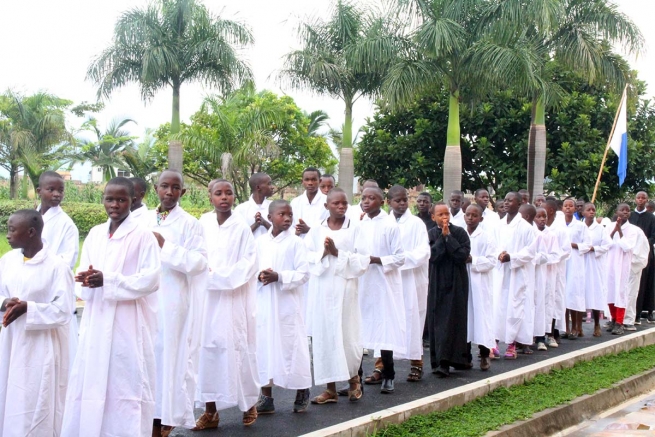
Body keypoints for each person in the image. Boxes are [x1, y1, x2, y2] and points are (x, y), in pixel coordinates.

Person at [62, 177, 161, 437]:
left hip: (128, 323)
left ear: (133, 200)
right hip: (96, 318)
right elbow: (84, 271)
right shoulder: (95, 233)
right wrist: (87, 279)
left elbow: (151, 280)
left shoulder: (142, 237)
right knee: (92, 382)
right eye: (109, 199)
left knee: (125, 383)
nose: (114, 204)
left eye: (121, 199)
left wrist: (109, 281)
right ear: (102, 199)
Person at [0, 209, 74, 437]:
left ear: (31, 232)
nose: (7, 235)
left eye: (12, 230)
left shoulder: (56, 267)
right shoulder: (8, 260)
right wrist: (4, 302)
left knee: (34, 399)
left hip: (40, 348)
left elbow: (63, 311)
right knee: (8, 395)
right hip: (10, 340)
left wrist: (29, 308)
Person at [194, 179, 259, 430]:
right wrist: (203, 274)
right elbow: (196, 254)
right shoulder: (203, 223)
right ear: (209, 196)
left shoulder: (241, 227)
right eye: (218, 193)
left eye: (229, 193)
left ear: (234, 197)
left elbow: (248, 263)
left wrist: (216, 277)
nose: (224, 197)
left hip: (232, 300)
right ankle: (210, 412)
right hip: (206, 300)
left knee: (238, 349)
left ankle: (249, 404)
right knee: (206, 352)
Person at [147, 170, 208, 437]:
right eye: (164, 186)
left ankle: (166, 415)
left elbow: (199, 263)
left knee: (170, 357)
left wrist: (166, 248)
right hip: (146, 298)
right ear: (156, 189)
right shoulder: (142, 219)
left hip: (173, 300)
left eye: (175, 188)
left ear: (183, 192)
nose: (169, 192)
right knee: (147, 355)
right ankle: (147, 412)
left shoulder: (190, 224)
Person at [305, 188, 369, 404]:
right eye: (336, 204)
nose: (341, 207)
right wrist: (324, 252)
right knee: (325, 337)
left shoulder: (355, 228)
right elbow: (307, 257)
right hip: (323, 289)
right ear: (327, 206)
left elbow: (363, 260)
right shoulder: (316, 230)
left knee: (347, 335)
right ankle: (330, 389)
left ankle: (354, 382)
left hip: (345, 288)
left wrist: (337, 253)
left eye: (344, 203)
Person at [255, 200, 312, 414]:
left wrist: (279, 276)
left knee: (292, 347)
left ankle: (302, 389)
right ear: (270, 217)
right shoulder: (260, 242)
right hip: (264, 303)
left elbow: (304, 273)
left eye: (290, 214)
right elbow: (252, 267)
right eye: (282, 214)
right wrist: (259, 276)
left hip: (287, 303)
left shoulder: (296, 243)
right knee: (264, 348)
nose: (287, 218)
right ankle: (266, 396)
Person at [358, 187, 405, 393]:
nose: (366, 201)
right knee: (358, 331)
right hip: (363, 283)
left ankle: (388, 374)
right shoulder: (360, 224)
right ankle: (355, 378)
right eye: (363, 198)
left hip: (384, 284)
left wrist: (375, 260)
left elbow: (400, 257)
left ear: (382, 201)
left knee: (384, 329)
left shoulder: (389, 224)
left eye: (371, 198)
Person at [36, 171, 80, 371]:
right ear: (39, 191)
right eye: (51, 189)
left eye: (60, 190)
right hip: (31, 287)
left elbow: (67, 260)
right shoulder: (32, 218)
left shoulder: (66, 224)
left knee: (56, 351)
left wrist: (40, 264)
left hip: (53, 288)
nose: (56, 194)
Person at [386, 185, 430, 381]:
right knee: (387, 321)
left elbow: (423, 252)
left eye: (405, 199)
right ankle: (382, 365)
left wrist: (398, 261)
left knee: (413, 319)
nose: (402, 203)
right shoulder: (383, 223)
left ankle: (416, 363)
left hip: (411, 280)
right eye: (398, 200)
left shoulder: (416, 224)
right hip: (388, 279)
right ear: (389, 202)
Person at [427, 203, 471, 376]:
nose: (444, 217)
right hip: (437, 281)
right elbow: (433, 256)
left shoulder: (460, 232)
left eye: (446, 214)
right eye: (440, 214)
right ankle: (440, 362)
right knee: (438, 320)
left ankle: (458, 359)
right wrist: (441, 238)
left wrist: (449, 238)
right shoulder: (431, 233)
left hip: (456, 281)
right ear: (433, 217)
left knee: (455, 318)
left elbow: (462, 255)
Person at [493, 192, 536, 359]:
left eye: (510, 201)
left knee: (514, 307)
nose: (506, 203)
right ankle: (494, 342)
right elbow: (492, 244)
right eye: (505, 200)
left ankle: (512, 344)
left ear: (519, 204)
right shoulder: (498, 225)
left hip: (517, 273)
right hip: (500, 271)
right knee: (497, 306)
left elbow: (530, 251)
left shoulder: (526, 228)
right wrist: (499, 254)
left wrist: (512, 257)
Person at [464, 204, 496, 370]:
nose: (470, 218)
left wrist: (473, 260)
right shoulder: (460, 234)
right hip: (463, 282)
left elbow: (492, 261)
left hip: (480, 283)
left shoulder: (487, 237)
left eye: (474, 215)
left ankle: (484, 354)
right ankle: (466, 356)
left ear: (481, 218)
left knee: (481, 320)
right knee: (465, 319)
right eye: (468, 214)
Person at [606, 204, 641, 335]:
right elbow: (605, 243)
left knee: (621, 292)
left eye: (627, 210)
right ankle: (613, 319)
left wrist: (620, 231)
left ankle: (620, 322)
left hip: (623, 264)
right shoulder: (610, 226)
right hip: (610, 262)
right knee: (610, 291)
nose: (625, 212)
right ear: (617, 212)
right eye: (622, 210)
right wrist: (614, 230)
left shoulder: (633, 230)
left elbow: (627, 247)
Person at [562, 198, 591, 339]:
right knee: (563, 295)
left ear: (575, 209)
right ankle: (565, 328)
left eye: (570, 206)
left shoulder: (580, 226)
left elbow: (588, 244)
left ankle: (575, 327)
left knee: (574, 294)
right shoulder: (558, 225)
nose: (568, 208)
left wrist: (574, 245)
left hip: (575, 263)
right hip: (562, 263)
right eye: (565, 206)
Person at [532, 207, 561, 351]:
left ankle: (544, 336)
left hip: (547, 274)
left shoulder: (552, 235)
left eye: (544, 216)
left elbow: (556, 255)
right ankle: (531, 337)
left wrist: (542, 258)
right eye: (539, 216)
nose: (542, 219)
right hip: (533, 274)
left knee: (546, 304)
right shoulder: (531, 232)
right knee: (533, 304)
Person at [581, 203, 612, 337]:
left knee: (595, 292)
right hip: (581, 262)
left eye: (593, 210)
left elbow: (607, 244)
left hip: (595, 263)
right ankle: (577, 326)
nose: (592, 212)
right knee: (580, 293)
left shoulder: (600, 229)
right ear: (582, 212)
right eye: (588, 210)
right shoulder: (579, 227)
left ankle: (597, 324)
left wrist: (594, 249)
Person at [544, 199, 571, 346]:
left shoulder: (560, 229)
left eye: (544, 209)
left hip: (555, 270)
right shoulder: (539, 227)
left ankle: (552, 332)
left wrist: (551, 258)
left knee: (553, 301)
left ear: (551, 211)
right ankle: (539, 334)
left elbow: (566, 250)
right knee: (541, 301)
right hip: (541, 271)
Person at [628, 191, 655, 323]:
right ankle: (630, 313)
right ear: (635, 199)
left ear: (646, 200)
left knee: (645, 283)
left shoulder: (651, 217)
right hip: (630, 254)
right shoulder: (630, 216)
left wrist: (643, 244)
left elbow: (653, 236)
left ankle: (644, 311)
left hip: (645, 254)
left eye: (643, 198)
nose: (640, 200)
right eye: (638, 197)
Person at [234, 172, 274, 239]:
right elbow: (238, 236)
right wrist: (256, 225)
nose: (272, 187)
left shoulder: (274, 207)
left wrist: (264, 223)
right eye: (269, 184)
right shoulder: (241, 209)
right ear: (258, 187)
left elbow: (280, 234)